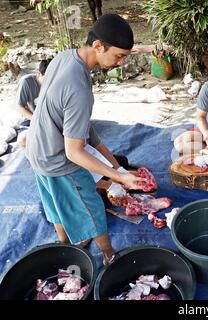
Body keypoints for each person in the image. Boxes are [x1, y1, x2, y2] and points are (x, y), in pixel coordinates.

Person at [25, 14, 146, 265]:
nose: (121, 62)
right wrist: (119, 177)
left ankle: (65, 246)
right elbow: (75, 152)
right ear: (98, 46)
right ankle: (109, 255)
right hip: (58, 161)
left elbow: (82, 128)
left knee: (56, 204)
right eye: (119, 56)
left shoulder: (65, 57)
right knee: (92, 208)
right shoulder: (79, 88)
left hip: (37, 150)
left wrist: (117, 167)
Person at [15, 59, 51, 147]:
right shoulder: (26, 82)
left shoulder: (56, 83)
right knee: (22, 140)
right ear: (39, 73)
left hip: (50, 121)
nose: (50, 82)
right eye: (47, 78)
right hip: (30, 120)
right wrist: (37, 120)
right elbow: (19, 107)